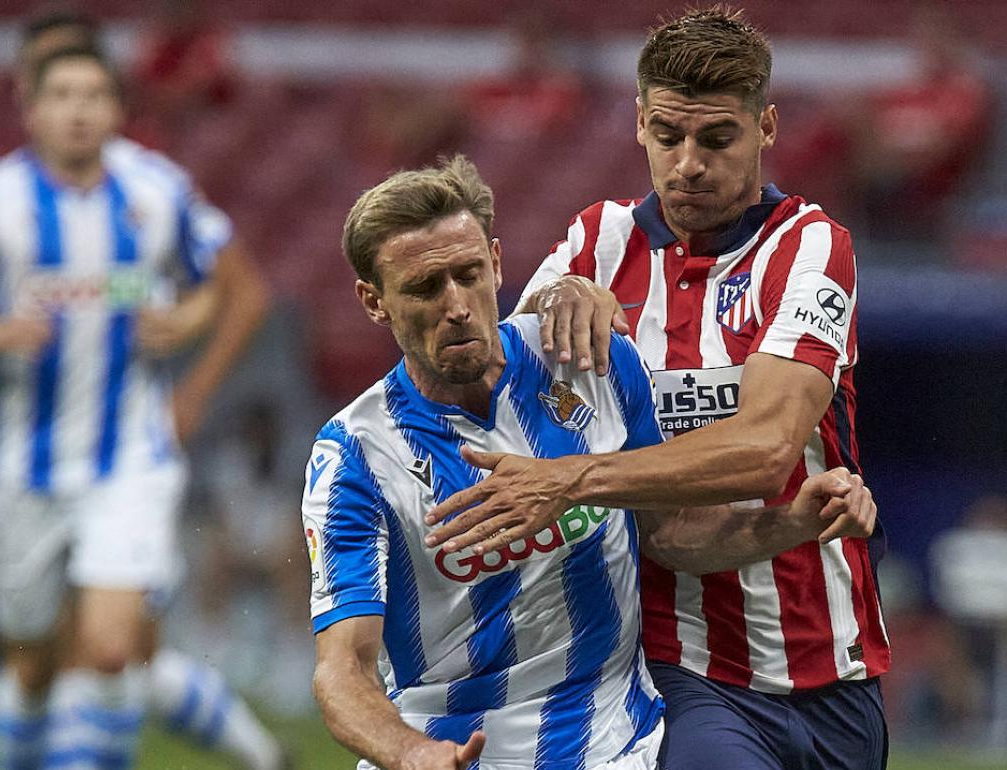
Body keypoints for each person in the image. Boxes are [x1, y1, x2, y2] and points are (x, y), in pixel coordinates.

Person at [426, 9, 889, 769]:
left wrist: (571, 480)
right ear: (639, 123)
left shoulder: (809, 246)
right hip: (681, 671)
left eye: (716, 139)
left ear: (765, 126)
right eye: (667, 136)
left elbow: (768, 452)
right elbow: (495, 401)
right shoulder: (595, 244)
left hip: (833, 662)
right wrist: (550, 304)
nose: (687, 164)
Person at [304, 155, 873, 770]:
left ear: (497, 263)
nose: (458, 305)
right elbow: (343, 669)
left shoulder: (592, 365)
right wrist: (410, 753)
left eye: (469, 274)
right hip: (441, 749)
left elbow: (674, 533)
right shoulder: (353, 454)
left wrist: (793, 522)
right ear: (373, 301)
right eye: (424, 288)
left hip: (615, 746)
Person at [0, 45, 273, 770]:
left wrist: (189, 325)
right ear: (33, 110)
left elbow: (219, 287)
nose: (78, 111)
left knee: (111, 648)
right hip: (25, 467)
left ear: (116, 111)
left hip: (129, 458)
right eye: (62, 95)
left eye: (93, 95)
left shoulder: (155, 191)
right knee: (33, 667)